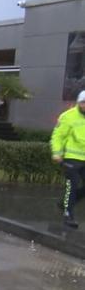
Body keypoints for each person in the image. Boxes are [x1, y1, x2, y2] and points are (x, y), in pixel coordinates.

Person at [51, 91, 85, 228]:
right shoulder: (68, 116)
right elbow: (58, 136)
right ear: (79, 102)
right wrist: (57, 153)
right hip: (72, 159)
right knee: (73, 185)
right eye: (83, 102)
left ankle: (64, 204)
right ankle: (68, 215)